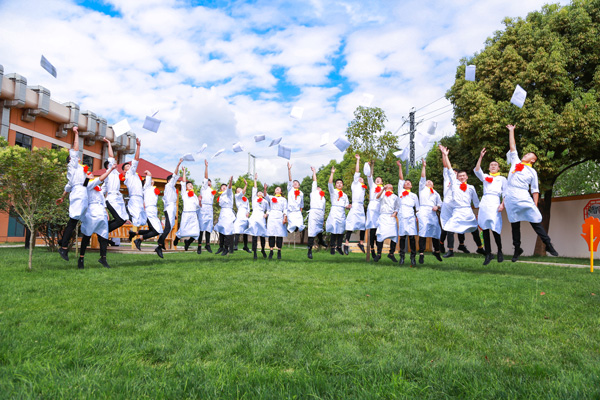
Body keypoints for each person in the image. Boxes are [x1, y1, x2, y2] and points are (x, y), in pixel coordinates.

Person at [505, 124, 558, 260]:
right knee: (514, 224)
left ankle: (548, 244)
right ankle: (517, 249)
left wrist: (535, 204)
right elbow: (512, 146)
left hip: (523, 196)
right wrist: (511, 131)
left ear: (533, 160)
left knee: (535, 222)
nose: (526, 154)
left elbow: (535, 190)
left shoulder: (532, 172)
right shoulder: (515, 162)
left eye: (529, 154)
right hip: (511, 197)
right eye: (526, 153)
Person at [439, 145, 485, 257]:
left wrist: (479, 213)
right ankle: (450, 250)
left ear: (467, 177)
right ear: (457, 178)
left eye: (464, 176)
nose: (462, 177)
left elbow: (476, 202)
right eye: (460, 176)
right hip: (457, 211)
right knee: (449, 228)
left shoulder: (471, 188)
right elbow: (450, 169)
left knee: (474, 229)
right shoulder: (454, 184)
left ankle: (480, 248)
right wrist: (445, 155)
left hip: (468, 211)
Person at [56, 126, 89, 261]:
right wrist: (76, 134)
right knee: (73, 221)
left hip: (82, 193)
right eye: (74, 157)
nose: (77, 157)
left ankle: (63, 243)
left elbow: (68, 186)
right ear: (71, 160)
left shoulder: (79, 170)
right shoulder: (73, 166)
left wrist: (62, 197)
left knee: (77, 222)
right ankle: (63, 247)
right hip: (78, 194)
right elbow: (76, 149)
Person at [79, 165, 116, 268]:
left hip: (101, 212)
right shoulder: (86, 185)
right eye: (88, 173)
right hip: (92, 211)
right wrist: (110, 170)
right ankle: (81, 258)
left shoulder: (98, 188)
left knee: (104, 236)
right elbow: (100, 179)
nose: (91, 174)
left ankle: (103, 258)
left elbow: (103, 197)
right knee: (87, 236)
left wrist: (106, 212)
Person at [474, 148, 507, 265]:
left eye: (495, 165)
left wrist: (502, 204)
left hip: (495, 202)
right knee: (485, 228)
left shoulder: (502, 179)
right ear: (488, 168)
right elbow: (477, 170)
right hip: (485, 202)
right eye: (491, 165)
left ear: (498, 168)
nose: (493, 166)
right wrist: (480, 157)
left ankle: (500, 251)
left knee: (495, 228)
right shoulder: (485, 177)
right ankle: (488, 254)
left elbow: (506, 193)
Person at [154, 158, 182, 258]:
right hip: (169, 208)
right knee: (168, 228)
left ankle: (160, 243)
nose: (175, 181)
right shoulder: (169, 185)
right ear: (170, 180)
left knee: (169, 227)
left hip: (171, 208)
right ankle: (159, 245)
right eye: (173, 180)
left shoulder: (172, 188)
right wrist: (178, 164)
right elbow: (175, 174)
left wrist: (174, 214)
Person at [101, 137, 130, 235]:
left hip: (118, 198)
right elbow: (111, 155)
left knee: (122, 220)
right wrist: (109, 143)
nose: (115, 164)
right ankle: (102, 232)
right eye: (113, 163)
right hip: (111, 199)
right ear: (108, 166)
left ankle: (103, 231)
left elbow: (102, 190)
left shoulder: (116, 174)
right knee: (119, 219)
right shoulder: (110, 172)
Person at [417, 159, 443, 263]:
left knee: (436, 231)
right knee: (423, 231)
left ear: (433, 185)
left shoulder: (436, 193)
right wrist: (424, 166)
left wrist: (437, 206)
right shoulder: (422, 189)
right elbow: (423, 177)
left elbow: (440, 203)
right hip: (423, 211)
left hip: (432, 213)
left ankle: (437, 251)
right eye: (427, 181)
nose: (428, 181)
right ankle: (421, 253)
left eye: (430, 181)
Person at [122, 138, 147, 241]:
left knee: (142, 221)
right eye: (127, 166)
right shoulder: (130, 173)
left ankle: (133, 233)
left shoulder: (135, 176)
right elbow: (136, 159)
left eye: (129, 165)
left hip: (140, 198)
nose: (130, 166)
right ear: (125, 171)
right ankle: (126, 213)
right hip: (135, 198)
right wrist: (138, 146)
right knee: (137, 219)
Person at [397, 160, 420, 266]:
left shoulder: (414, 196)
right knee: (402, 237)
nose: (407, 183)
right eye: (405, 182)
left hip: (411, 217)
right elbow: (401, 178)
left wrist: (417, 217)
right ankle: (402, 257)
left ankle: (413, 258)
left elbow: (417, 208)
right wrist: (400, 167)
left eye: (409, 183)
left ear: (411, 186)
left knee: (412, 237)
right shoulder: (400, 192)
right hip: (402, 216)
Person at [134, 170, 164, 251]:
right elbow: (148, 179)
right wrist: (149, 174)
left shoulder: (152, 189)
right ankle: (139, 240)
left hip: (153, 210)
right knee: (156, 231)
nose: (151, 180)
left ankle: (138, 238)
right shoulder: (146, 188)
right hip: (149, 210)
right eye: (150, 180)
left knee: (156, 230)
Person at [344, 154, 367, 255]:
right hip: (355, 206)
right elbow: (357, 171)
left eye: (362, 178)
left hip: (361, 207)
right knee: (350, 225)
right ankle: (346, 244)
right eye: (359, 178)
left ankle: (360, 243)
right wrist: (358, 160)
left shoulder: (363, 187)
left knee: (363, 225)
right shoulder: (355, 184)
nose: (360, 178)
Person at [326, 166, 351, 255]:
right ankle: (332, 247)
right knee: (334, 229)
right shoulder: (333, 192)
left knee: (341, 230)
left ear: (342, 185)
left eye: (341, 183)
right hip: (334, 211)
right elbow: (330, 183)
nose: (339, 184)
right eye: (338, 183)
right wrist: (332, 173)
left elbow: (346, 205)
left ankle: (339, 247)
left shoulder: (345, 195)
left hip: (341, 212)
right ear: (336, 185)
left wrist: (348, 206)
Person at [174, 167, 200, 250]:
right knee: (183, 230)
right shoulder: (184, 193)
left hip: (193, 214)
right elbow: (184, 181)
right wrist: (184, 171)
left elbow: (198, 206)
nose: (191, 185)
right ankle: (177, 238)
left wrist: (199, 200)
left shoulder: (194, 195)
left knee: (196, 232)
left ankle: (188, 242)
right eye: (189, 185)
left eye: (191, 185)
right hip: (186, 213)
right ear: (185, 187)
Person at [373, 183, 400, 262]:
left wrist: (395, 213)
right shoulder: (383, 194)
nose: (389, 186)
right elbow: (377, 197)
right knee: (380, 235)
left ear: (392, 188)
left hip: (391, 217)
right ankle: (379, 254)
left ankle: (391, 253)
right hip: (383, 216)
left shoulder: (395, 197)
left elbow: (397, 207)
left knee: (394, 236)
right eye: (387, 185)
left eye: (390, 185)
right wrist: (382, 189)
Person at [245, 174, 269, 260]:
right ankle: (255, 252)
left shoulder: (265, 201)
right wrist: (255, 179)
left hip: (261, 217)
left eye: (261, 192)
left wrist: (266, 214)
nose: (259, 192)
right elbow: (254, 189)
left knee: (262, 235)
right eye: (258, 192)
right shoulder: (254, 199)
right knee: (254, 235)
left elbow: (268, 209)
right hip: (255, 216)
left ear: (263, 194)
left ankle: (262, 249)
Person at [306, 166, 328, 259]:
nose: (318, 188)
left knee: (319, 229)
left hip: (320, 214)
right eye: (317, 187)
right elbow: (315, 181)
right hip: (314, 212)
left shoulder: (323, 198)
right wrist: (314, 172)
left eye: (320, 188)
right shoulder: (314, 193)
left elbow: (324, 209)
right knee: (311, 231)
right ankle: (309, 250)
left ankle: (321, 241)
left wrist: (323, 219)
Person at [365, 161, 384, 259]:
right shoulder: (372, 186)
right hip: (372, 208)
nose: (377, 179)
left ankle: (379, 251)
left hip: (380, 209)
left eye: (379, 179)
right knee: (372, 230)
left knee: (379, 230)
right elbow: (369, 176)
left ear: (382, 182)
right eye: (376, 179)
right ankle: (372, 249)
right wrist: (368, 166)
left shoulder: (384, 189)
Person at [265, 184, 288, 259]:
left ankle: (279, 251)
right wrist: (265, 189)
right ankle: (271, 251)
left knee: (279, 234)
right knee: (271, 234)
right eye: (276, 188)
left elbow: (285, 209)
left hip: (279, 216)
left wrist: (285, 217)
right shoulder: (271, 197)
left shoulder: (283, 199)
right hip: (272, 216)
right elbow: (265, 195)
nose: (277, 189)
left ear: (281, 191)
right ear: (275, 191)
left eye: (279, 188)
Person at [214, 176, 236, 256]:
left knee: (227, 231)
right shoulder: (221, 196)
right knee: (221, 230)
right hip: (222, 212)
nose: (223, 188)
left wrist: (230, 181)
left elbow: (229, 188)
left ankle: (226, 248)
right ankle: (221, 247)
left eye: (225, 187)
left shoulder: (229, 194)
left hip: (228, 213)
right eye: (222, 187)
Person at [198, 160, 216, 254]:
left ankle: (207, 245)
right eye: (208, 181)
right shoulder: (204, 188)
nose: (209, 182)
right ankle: (199, 246)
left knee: (209, 228)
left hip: (210, 209)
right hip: (204, 208)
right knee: (201, 228)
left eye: (210, 181)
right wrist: (206, 167)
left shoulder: (211, 191)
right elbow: (205, 177)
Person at [286, 162, 305, 234]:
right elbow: (290, 180)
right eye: (294, 182)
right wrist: (289, 170)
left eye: (296, 182)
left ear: (299, 185)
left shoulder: (301, 193)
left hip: (297, 211)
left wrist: (300, 211)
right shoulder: (290, 189)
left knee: (300, 224)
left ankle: (296, 228)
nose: (295, 183)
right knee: (292, 224)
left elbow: (301, 204)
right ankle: (290, 229)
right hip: (291, 211)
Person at [233, 178, 251, 253]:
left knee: (245, 231)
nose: (240, 190)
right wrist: (246, 185)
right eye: (239, 190)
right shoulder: (237, 196)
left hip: (245, 214)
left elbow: (248, 206)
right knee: (237, 229)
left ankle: (245, 246)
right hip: (240, 213)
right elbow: (242, 193)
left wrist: (248, 212)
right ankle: (235, 245)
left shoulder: (246, 198)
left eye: (241, 189)